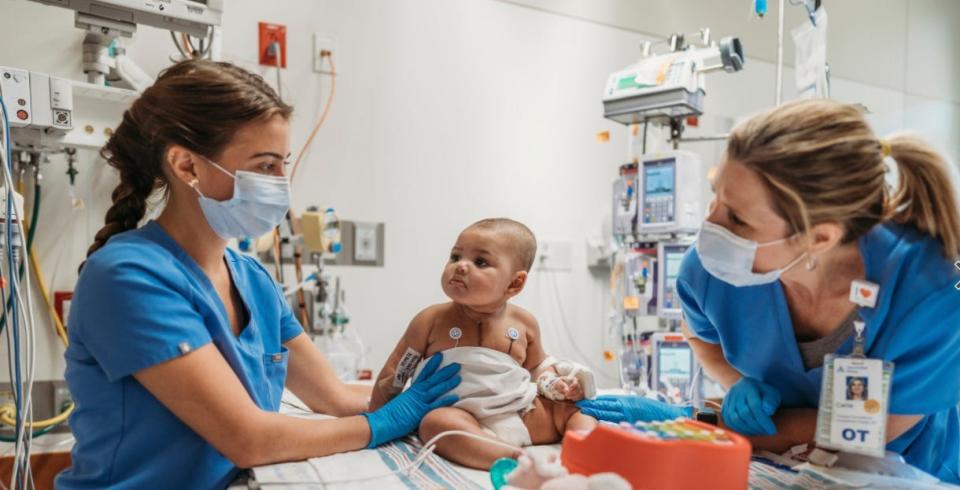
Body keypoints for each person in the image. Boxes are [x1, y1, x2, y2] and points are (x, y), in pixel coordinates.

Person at [56, 60, 461, 489]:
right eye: (266, 165)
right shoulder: (128, 278)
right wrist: (389, 420)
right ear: (186, 165)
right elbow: (250, 439)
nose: (282, 184)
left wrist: (450, 398)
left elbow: (336, 398)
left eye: (283, 163)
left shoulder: (250, 278)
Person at [579, 99, 960, 483]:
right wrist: (737, 383)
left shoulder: (933, 297)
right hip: (777, 459)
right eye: (716, 196)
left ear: (819, 238)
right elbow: (700, 337)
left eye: (738, 218)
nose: (711, 225)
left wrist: (691, 422)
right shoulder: (711, 272)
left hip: (906, 469)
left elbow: (869, 431)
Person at [369, 219, 597, 469]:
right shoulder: (431, 320)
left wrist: (555, 384)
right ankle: (518, 460)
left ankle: (587, 451)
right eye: (455, 256)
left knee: (575, 410)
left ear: (514, 284)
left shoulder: (524, 322)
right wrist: (379, 419)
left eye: (480, 262)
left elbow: (539, 365)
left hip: (521, 410)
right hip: (463, 416)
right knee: (435, 423)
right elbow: (396, 371)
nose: (461, 266)